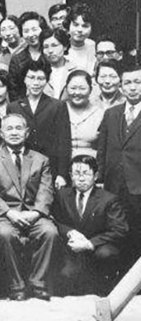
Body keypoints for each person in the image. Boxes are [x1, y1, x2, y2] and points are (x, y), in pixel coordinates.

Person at [0, 112, 59, 300]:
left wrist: (35, 213)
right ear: (1, 133)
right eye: (9, 128)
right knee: (6, 234)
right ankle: (16, 285)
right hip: (5, 214)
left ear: (26, 133)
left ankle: (37, 282)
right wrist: (10, 213)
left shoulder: (41, 159)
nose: (14, 132)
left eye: (19, 128)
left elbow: (46, 190)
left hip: (34, 214)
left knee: (50, 232)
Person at [51, 155, 129, 295]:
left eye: (86, 173)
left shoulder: (109, 199)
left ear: (96, 176)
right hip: (72, 248)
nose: (81, 178)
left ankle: (104, 290)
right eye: (76, 173)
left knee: (107, 254)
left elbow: (120, 229)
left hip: (98, 248)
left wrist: (90, 243)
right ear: (70, 176)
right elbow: (54, 220)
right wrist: (69, 232)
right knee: (66, 277)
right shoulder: (61, 196)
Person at [96, 59, 141, 263]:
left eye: (138, 82)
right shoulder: (111, 114)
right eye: (128, 83)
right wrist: (100, 179)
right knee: (117, 234)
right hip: (114, 186)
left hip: (138, 186)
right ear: (121, 87)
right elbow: (103, 150)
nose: (132, 87)